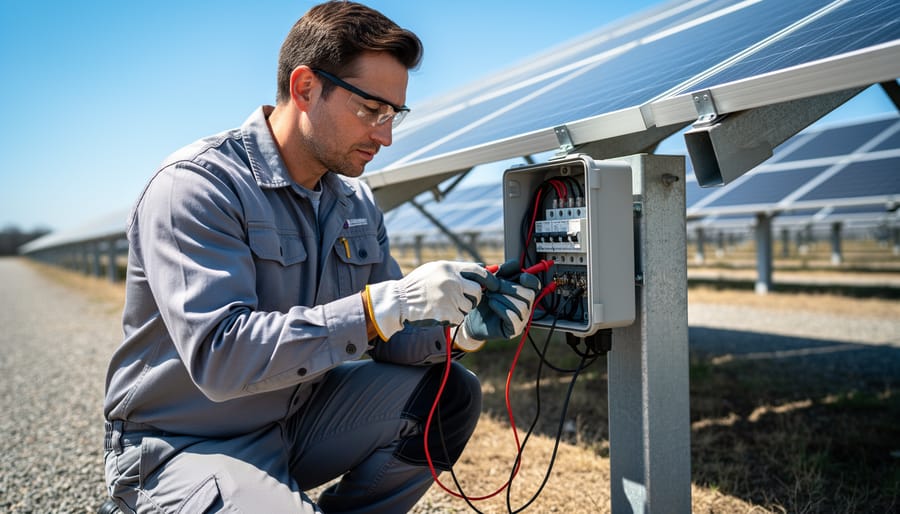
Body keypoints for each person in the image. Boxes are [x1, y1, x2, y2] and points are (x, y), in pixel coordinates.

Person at [101, 2, 538, 513]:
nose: (385, 134)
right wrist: (381, 307)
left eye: (394, 114)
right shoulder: (198, 187)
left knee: (449, 396)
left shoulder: (354, 203)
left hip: (296, 423)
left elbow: (393, 336)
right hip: (185, 442)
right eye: (371, 110)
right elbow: (221, 357)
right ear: (306, 87)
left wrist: (458, 331)